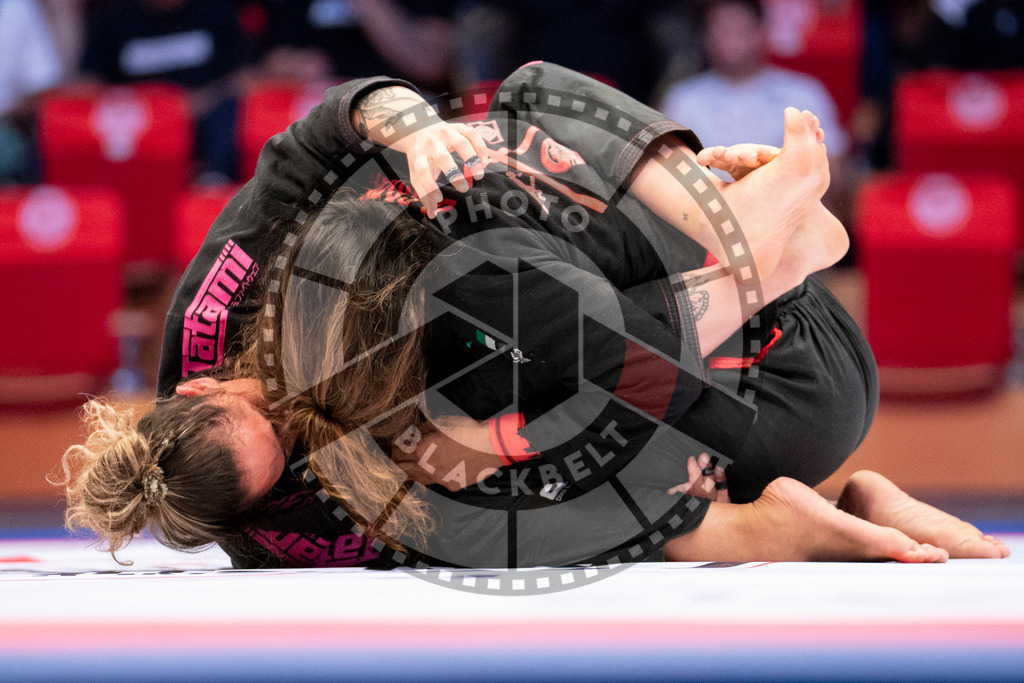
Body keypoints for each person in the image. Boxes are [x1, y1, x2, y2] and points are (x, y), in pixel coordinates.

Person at [58, 62, 1009, 568]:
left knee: (518, 124)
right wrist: (742, 531)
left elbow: (315, 135)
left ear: (210, 375)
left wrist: (413, 127)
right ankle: (757, 253)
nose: (289, 402)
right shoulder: (337, 506)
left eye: (262, 400)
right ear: (275, 499)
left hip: (785, 354)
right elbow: (548, 523)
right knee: (493, 333)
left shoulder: (211, 316)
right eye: (291, 440)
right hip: (777, 413)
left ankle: (738, 233)